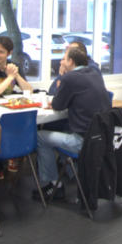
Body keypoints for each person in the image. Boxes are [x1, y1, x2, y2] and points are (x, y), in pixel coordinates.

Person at [33, 45, 109, 201]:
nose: (61, 62)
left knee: (40, 136)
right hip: (101, 138)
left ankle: (53, 185)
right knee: (62, 131)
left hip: (84, 142)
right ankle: (70, 172)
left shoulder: (70, 78)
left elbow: (58, 105)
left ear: (71, 61)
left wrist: (61, 81)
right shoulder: (94, 74)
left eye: (64, 59)